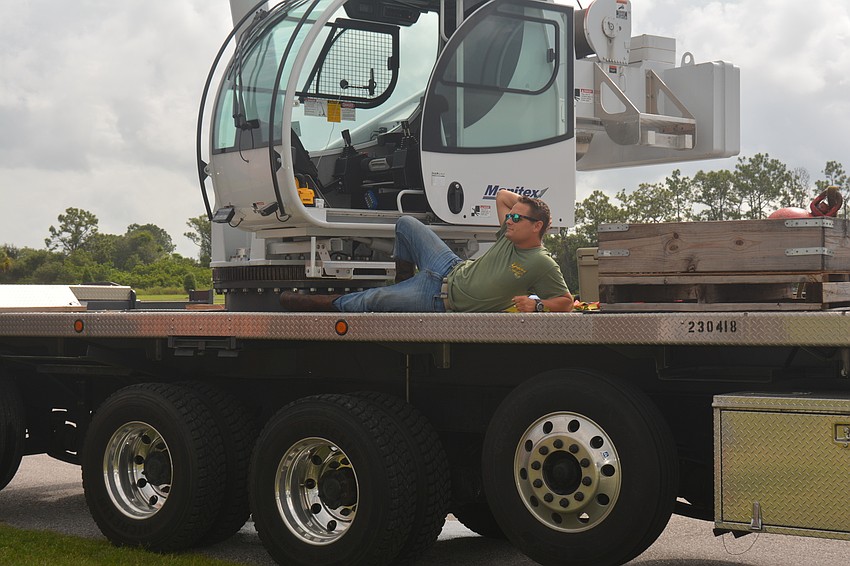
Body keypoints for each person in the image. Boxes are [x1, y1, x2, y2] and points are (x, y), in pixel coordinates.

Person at [280, 189, 574, 313]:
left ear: (537, 227)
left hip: (441, 300)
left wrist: (538, 306)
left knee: (372, 299)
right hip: (450, 266)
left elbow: (566, 301)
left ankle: (317, 302)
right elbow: (501, 196)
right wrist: (528, 205)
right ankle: (403, 284)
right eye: (510, 216)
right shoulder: (509, 234)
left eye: (517, 218)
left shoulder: (540, 263)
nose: (509, 219)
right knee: (406, 223)